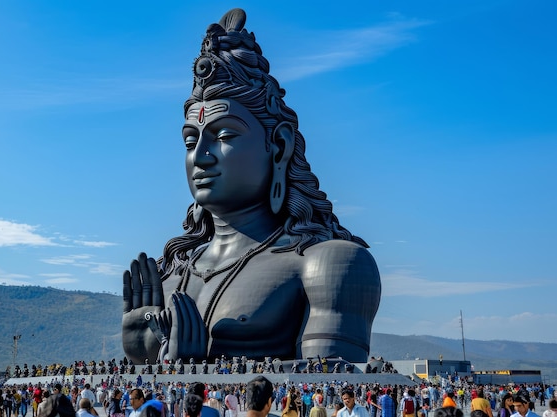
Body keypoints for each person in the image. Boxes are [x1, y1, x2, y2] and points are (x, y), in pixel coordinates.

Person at [121, 7, 381, 364]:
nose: (201, 156)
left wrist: (192, 373)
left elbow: (330, 383)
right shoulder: (170, 277)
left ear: (279, 145)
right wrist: (145, 354)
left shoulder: (327, 264)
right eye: (189, 141)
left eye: (223, 134)